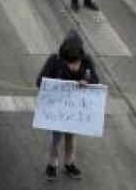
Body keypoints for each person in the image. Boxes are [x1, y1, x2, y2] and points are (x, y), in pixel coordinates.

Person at [36, 30, 100, 181]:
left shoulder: (87, 61)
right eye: (70, 61)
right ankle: (52, 164)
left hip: (75, 110)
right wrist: (54, 85)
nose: (73, 65)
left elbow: (96, 79)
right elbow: (40, 81)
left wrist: (88, 81)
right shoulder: (54, 60)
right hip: (58, 107)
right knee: (56, 136)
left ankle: (69, 164)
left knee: (71, 136)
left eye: (75, 61)